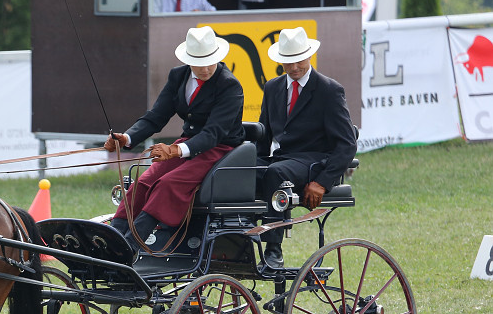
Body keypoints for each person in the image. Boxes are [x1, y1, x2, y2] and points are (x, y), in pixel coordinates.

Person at [105, 26, 244, 252]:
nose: (207, 68)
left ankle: (131, 245)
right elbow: (156, 116)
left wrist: (177, 151)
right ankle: (113, 236)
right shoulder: (178, 76)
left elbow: (213, 134)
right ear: (189, 60)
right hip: (187, 145)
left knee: (167, 185)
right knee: (144, 182)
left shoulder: (229, 85)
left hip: (220, 149)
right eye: (200, 62)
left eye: (211, 61)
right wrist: (127, 137)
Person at [256, 27, 357, 268]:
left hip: (314, 161)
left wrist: (322, 181)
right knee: (241, 171)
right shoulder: (272, 88)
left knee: (276, 173)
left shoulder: (329, 90)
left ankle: (273, 249)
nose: (293, 67)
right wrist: (252, 163)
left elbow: (346, 144)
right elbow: (263, 135)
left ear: (309, 55)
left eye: (298, 60)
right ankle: (237, 242)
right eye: (287, 62)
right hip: (284, 159)